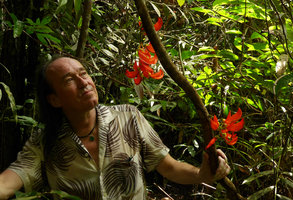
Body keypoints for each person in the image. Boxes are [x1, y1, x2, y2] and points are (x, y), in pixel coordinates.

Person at [0, 56, 230, 200]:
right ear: (54, 100)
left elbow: (169, 168)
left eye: (84, 74)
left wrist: (202, 174)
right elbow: (8, 182)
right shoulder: (44, 142)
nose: (84, 83)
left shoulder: (129, 118)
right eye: (69, 80)